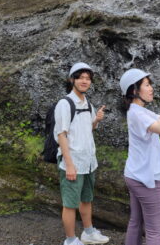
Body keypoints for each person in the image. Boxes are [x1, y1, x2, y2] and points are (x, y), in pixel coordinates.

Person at [119, 68, 160, 245]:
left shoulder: (138, 111)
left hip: (135, 175)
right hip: (147, 179)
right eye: (147, 85)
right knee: (154, 232)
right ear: (134, 91)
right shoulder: (137, 113)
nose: (151, 88)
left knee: (136, 222)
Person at [54, 62, 109, 245]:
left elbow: (86, 130)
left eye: (88, 78)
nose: (85, 81)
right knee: (70, 203)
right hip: (73, 162)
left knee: (86, 199)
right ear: (72, 80)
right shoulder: (65, 103)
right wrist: (69, 164)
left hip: (89, 162)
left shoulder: (87, 103)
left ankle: (88, 232)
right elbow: (61, 135)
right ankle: (70, 240)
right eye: (81, 78)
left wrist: (96, 121)